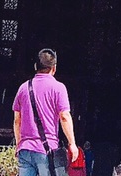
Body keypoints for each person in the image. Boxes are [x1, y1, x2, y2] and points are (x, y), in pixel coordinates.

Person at [14, 47, 80, 176]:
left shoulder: (23, 87)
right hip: (46, 149)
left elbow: (17, 120)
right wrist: (72, 143)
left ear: (35, 66)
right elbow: (64, 116)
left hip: (25, 148)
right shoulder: (58, 88)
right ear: (54, 68)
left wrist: (19, 144)